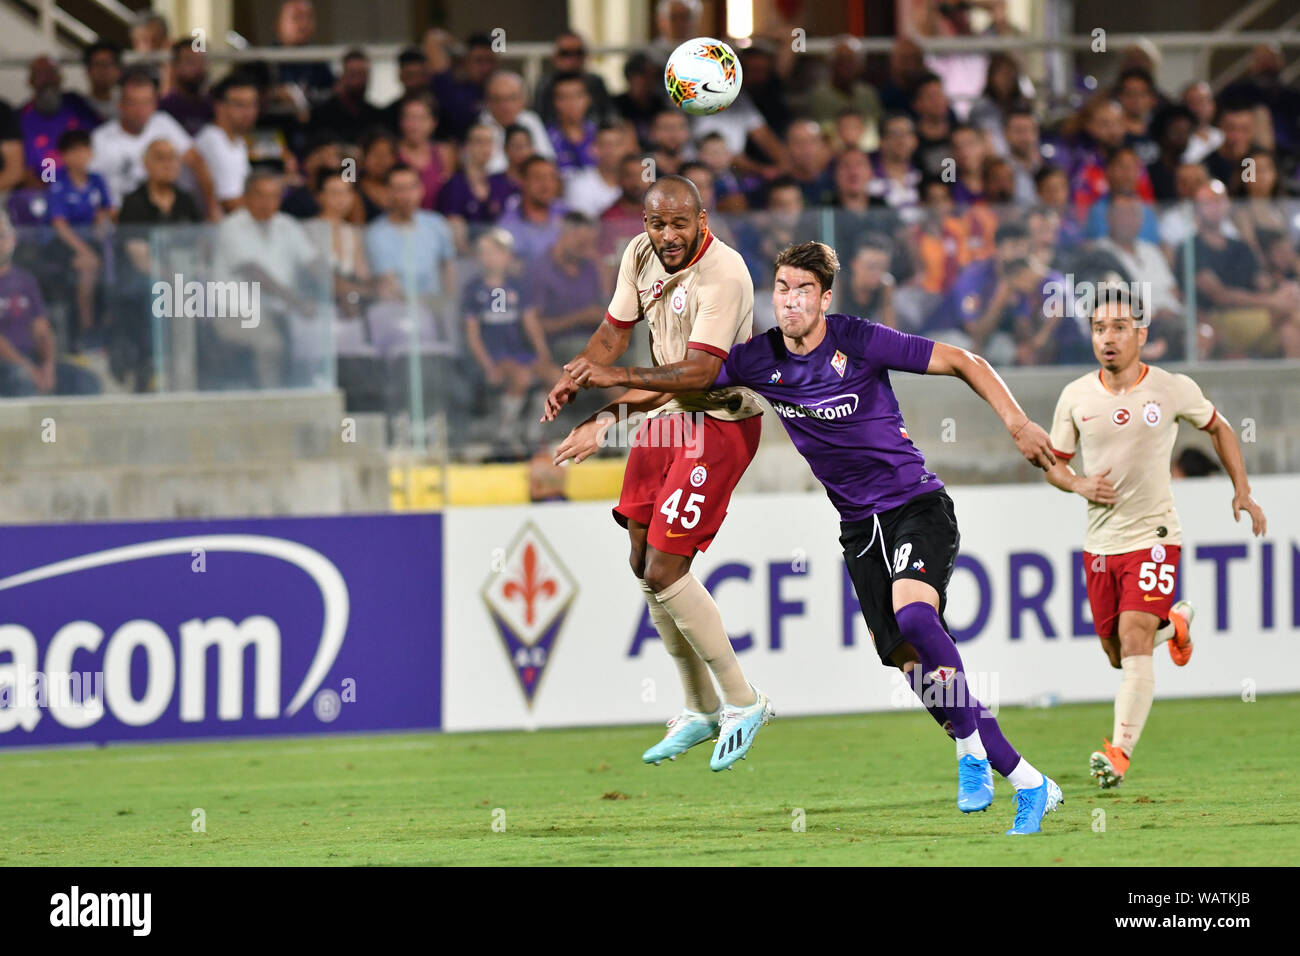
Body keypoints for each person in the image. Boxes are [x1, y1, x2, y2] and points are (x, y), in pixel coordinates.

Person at [561, 239, 1065, 834]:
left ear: (825, 298)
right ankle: (998, 762)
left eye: (804, 290)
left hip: (914, 505)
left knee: (917, 620)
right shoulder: (760, 358)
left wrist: (1017, 421)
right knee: (908, 663)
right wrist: (606, 419)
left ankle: (1001, 766)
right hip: (859, 530)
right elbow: (680, 383)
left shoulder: (857, 339)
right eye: (782, 289)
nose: (790, 300)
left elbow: (964, 361)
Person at [542, 175, 774, 772]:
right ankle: (698, 710)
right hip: (667, 416)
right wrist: (584, 380)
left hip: (719, 421)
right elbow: (615, 331)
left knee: (669, 567)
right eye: (655, 223)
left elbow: (698, 374)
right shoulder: (639, 255)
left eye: (678, 223)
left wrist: (614, 387)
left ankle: (743, 702)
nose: (666, 235)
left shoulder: (726, 274)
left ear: (702, 220)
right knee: (642, 563)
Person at [1043, 285, 1267, 789]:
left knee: (1135, 637)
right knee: (1117, 654)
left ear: (1141, 334)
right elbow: (1054, 466)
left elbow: (1220, 427)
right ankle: (1178, 623)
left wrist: (1244, 492)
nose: (1108, 338)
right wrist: (1078, 483)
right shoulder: (1076, 397)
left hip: (1155, 534)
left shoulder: (1171, 388)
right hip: (1100, 546)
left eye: (1120, 328)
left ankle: (1118, 753)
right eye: (1100, 329)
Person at [463, 228, 560, 450]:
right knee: (521, 378)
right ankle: (505, 431)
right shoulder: (473, 290)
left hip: (518, 352)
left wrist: (542, 352)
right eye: (485, 252)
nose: (491, 257)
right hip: (495, 354)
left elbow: (530, 322)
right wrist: (486, 365)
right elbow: (472, 333)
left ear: (507, 255)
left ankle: (533, 430)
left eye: (497, 251)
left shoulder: (517, 286)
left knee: (556, 377)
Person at [90, 69, 216, 218]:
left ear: (155, 104)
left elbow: (197, 162)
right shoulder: (100, 138)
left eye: (146, 102)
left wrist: (213, 208)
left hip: (163, 214)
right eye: (133, 103)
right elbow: (88, 186)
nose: (140, 110)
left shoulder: (163, 123)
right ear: (121, 105)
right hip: (119, 220)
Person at [0, 213, 100, 397]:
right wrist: (27, 368)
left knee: (86, 382)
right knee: (19, 379)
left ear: (13, 239)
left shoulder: (26, 281)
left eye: (2, 235)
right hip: (7, 366)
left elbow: (42, 330)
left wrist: (48, 366)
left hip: (32, 359)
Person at [46, 130, 112, 347]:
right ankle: (87, 329)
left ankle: (108, 327)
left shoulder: (97, 180)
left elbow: (107, 210)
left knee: (108, 264)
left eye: (85, 149)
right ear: (64, 155)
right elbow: (59, 224)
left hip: (95, 241)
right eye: (75, 151)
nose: (82, 155)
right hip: (66, 245)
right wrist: (83, 249)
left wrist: (101, 224)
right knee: (88, 267)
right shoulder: (59, 183)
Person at [194, 72, 258, 213]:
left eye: (252, 104)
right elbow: (231, 204)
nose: (248, 112)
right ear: (219, 106)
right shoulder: (213, 140)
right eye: (240, 105)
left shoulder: (239, 141)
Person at [83, 42, 123, 122]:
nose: (103, 70)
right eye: (97, 64)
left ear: (119, 70)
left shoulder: (130, 105)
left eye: (108, 64)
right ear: (88, 70)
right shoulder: (80, 107)